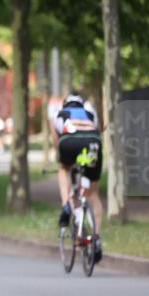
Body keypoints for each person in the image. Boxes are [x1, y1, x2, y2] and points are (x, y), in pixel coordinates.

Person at [53, 93, 103, 262]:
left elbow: (57, 142)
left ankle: (66, 205)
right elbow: (98, 131)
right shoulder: (90, 114)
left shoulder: (60, 114)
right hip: (92, 142)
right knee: (93, 194)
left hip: (69, 142)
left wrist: (64, 161)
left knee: (63, 169)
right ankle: (96, 239)